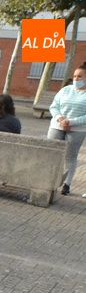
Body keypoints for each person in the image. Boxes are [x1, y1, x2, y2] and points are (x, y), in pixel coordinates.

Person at [48, 64, 86, 196]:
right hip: (57, 125)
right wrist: (61, 119)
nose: (76, 79)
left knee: (70, 156)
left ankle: (67, 184)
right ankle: (49, 181)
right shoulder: (65, 90)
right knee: (52, 153)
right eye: (75, 76)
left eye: (80, 76)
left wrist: (71, 122)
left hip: (77, 129)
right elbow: (54, 106)